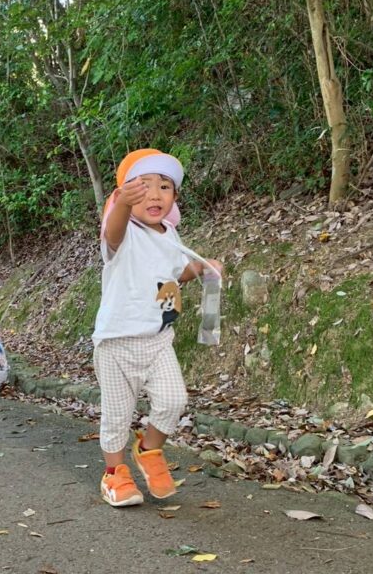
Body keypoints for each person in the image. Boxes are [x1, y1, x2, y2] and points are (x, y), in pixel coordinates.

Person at [93, 149, 223, 508]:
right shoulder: (124, 234)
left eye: (164, 187)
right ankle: (114, 474)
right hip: (116, 342)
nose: (154, 194)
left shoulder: (170, 235)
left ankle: (149, 451)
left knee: (173, 400)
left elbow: (174, 278)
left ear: (175, 197)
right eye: (143, 186)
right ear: (125, 194)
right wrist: (122, 204)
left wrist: (202, 268)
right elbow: (113, 233)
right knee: (117, 415)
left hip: (158, 340)